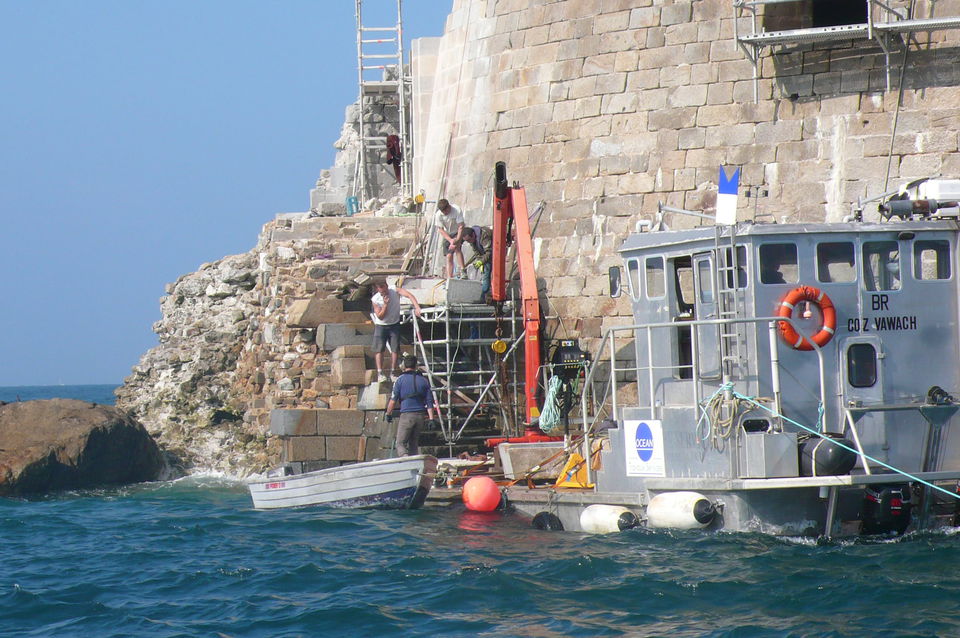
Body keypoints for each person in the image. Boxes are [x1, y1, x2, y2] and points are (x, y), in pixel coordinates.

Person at [371, 280, 422, 383]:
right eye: (380, 289)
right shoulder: (375, 299)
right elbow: (380, 316)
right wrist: (385, 305)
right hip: (381, 325)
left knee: (395, 349)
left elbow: (409, 295)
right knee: (379, 349)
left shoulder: (394, 290)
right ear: (378, 289)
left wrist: (417, 307)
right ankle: (380, 373)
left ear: (386, 286)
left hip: (394, 324)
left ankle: (393, 372)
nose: (383, 291)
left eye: (384, 287)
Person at [385, 354, 436, 456]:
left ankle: (405, 459)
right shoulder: (424, 381)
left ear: (404, 366)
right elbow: (429, 402)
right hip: (420, 416)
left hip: (407, 415)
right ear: (416, 366)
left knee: (400, 443)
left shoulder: (400, 380)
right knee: (414, 444)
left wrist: (388, 413)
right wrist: (431, 419)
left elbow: (393, 400)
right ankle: (414, 466)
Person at [434, 198, 466, 279]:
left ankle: (463, 271)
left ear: (449, 207)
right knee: (448, 255)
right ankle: (449, 277)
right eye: (443, 212)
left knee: (457, 249)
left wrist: (457, 240)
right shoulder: (438, 215)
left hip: (458, 232)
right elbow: (440, 230)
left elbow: (461, 226)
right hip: (447, 234)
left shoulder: (456, 210)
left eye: (446, 212)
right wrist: (450, 240)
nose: (445, 213)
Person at [461, 225, 493, 297]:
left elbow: (489, 252)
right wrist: (479, 261)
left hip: (494, 252)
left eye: (469, 240)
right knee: (481, 272)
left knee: (486, 271)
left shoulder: (484, 235)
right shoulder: (472, 240)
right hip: (484, 255)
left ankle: (484, 294)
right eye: (467, 241)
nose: (469, 242)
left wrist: (482, 262)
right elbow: (476, 252)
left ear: (473, 235)